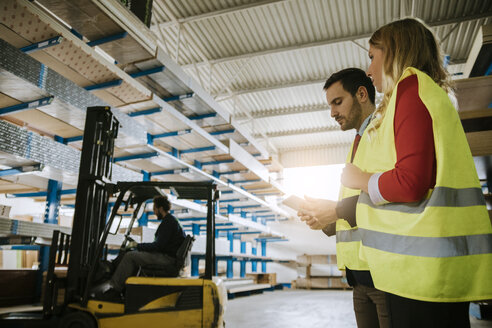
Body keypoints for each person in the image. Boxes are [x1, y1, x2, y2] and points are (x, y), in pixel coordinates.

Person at [340, 18, 492, 327]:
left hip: (417, 276)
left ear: (395, 51)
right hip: (426, 272)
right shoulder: (424, 93)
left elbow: (410, 182)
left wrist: (361, 179)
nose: (369, 70)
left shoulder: (411, 88)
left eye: (372, 56)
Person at [299, 68, 389, 328]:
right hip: (359, 276)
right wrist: (324, 219)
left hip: (382, 273)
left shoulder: (382, 134)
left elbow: (391, 193)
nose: (332, 113)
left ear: (362, 94)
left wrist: (336, 210)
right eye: (330, 105)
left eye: (337, 102)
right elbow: (358, 201)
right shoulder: (357, 143)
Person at [100, 195, 185, 300]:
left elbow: (157, 246)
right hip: (168, 257)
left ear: (161, 209)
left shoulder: (168, 222)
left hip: (167, 259)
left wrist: (138, 246)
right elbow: (159, 245)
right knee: (134, 255)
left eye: (155, 209)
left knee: (129, 256)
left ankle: (114, 289)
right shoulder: (171, 220)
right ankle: (125, 288)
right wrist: (139, 246)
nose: (154, 212)